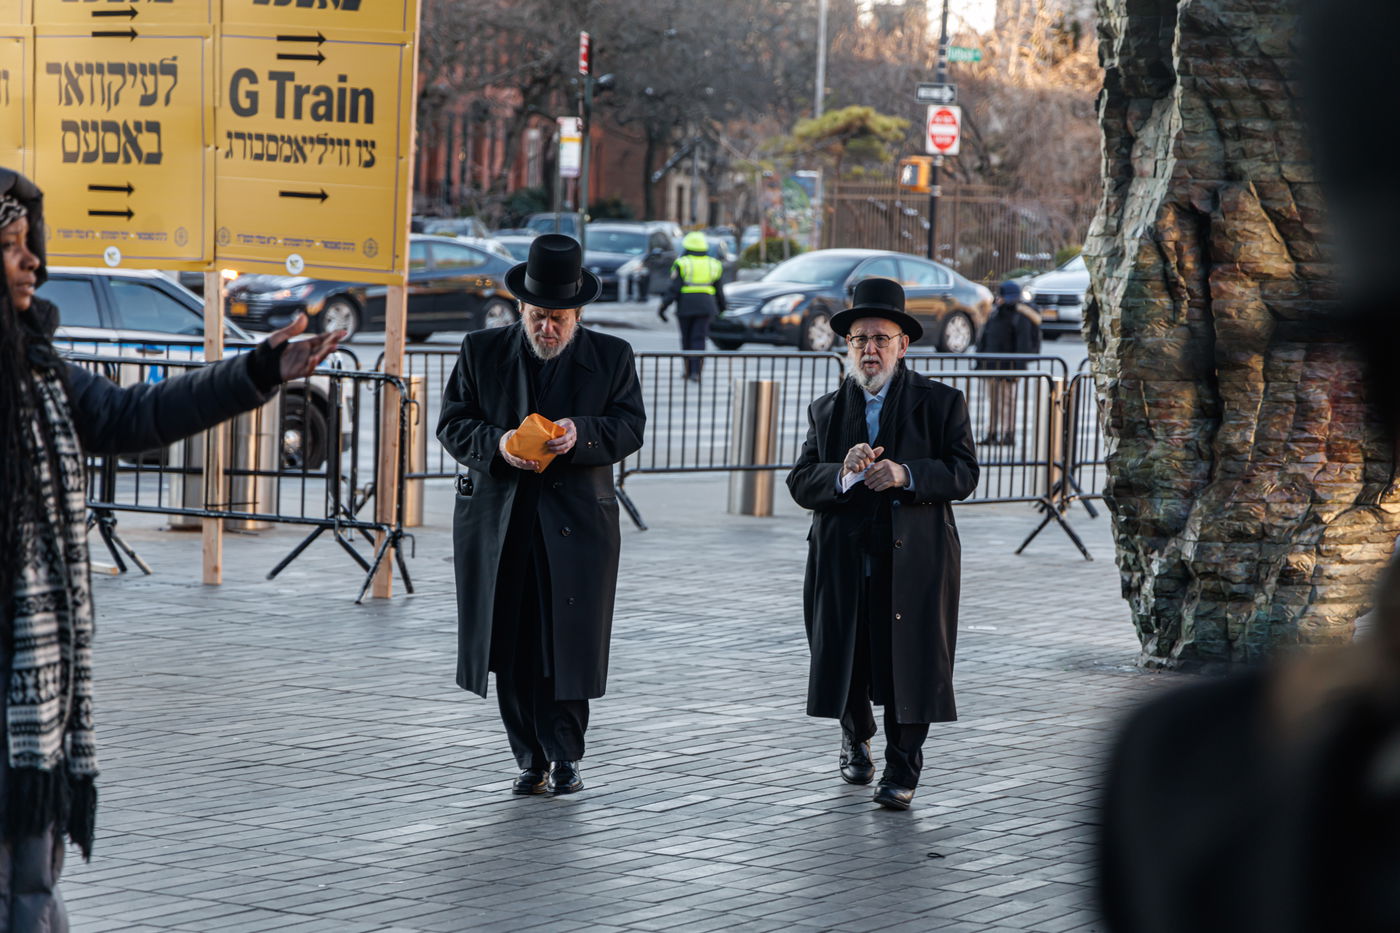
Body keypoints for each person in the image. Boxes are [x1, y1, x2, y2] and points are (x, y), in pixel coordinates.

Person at [0, 166, 342, 930]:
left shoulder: (39, 371)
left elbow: (134, 414)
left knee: (32, 881)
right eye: (13, 247)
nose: (33, 264)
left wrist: (259, 371)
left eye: (33, 245)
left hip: (34, 685)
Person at [437, 234, 646, 797]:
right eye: (536, 316)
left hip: (578, 525)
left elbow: (630, 427)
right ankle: (529, 758)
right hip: (501, 522)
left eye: (557, 318)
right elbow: (453, 424)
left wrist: (584, 434)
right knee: (510, 644)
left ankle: (567, 755)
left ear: (577, 314)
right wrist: (499, 444)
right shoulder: (481, 350)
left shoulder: (611, 356)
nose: (545, 328)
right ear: (521, 309)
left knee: (568, 643)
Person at [786, 277, 979, 810]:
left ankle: (903, 765)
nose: (869, 350)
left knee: (910, 662)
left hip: (916, 560)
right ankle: (855, 736)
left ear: (903, 344)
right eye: (859, 341)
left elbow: (964, 474)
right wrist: (842, 474)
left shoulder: (941, 403)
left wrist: (905, 473)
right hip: (844, 559)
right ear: (847, 347)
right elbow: (800, 482)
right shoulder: (826, 410)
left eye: (880, 339)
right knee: (847, 653)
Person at [975, 280, 1041, 446]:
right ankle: (993, 432)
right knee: (995, 401)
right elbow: (985, 338)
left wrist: (1017, 370)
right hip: (992, 366)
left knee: (1006, 402)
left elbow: (1023, 345)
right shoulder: (996, 313)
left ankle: (1007, 433)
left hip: (1007, 367)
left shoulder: (1019, 316)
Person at [657, 231, 726, 382]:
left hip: (686, 306)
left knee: (687, 339)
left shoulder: (682, 263)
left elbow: (674, 289)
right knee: (699, 339)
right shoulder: (714, 264)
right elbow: (719, 291)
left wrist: (663, 307)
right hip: (706, 305)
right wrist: (722, 309)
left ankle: (688, 370)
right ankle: (697, 372)